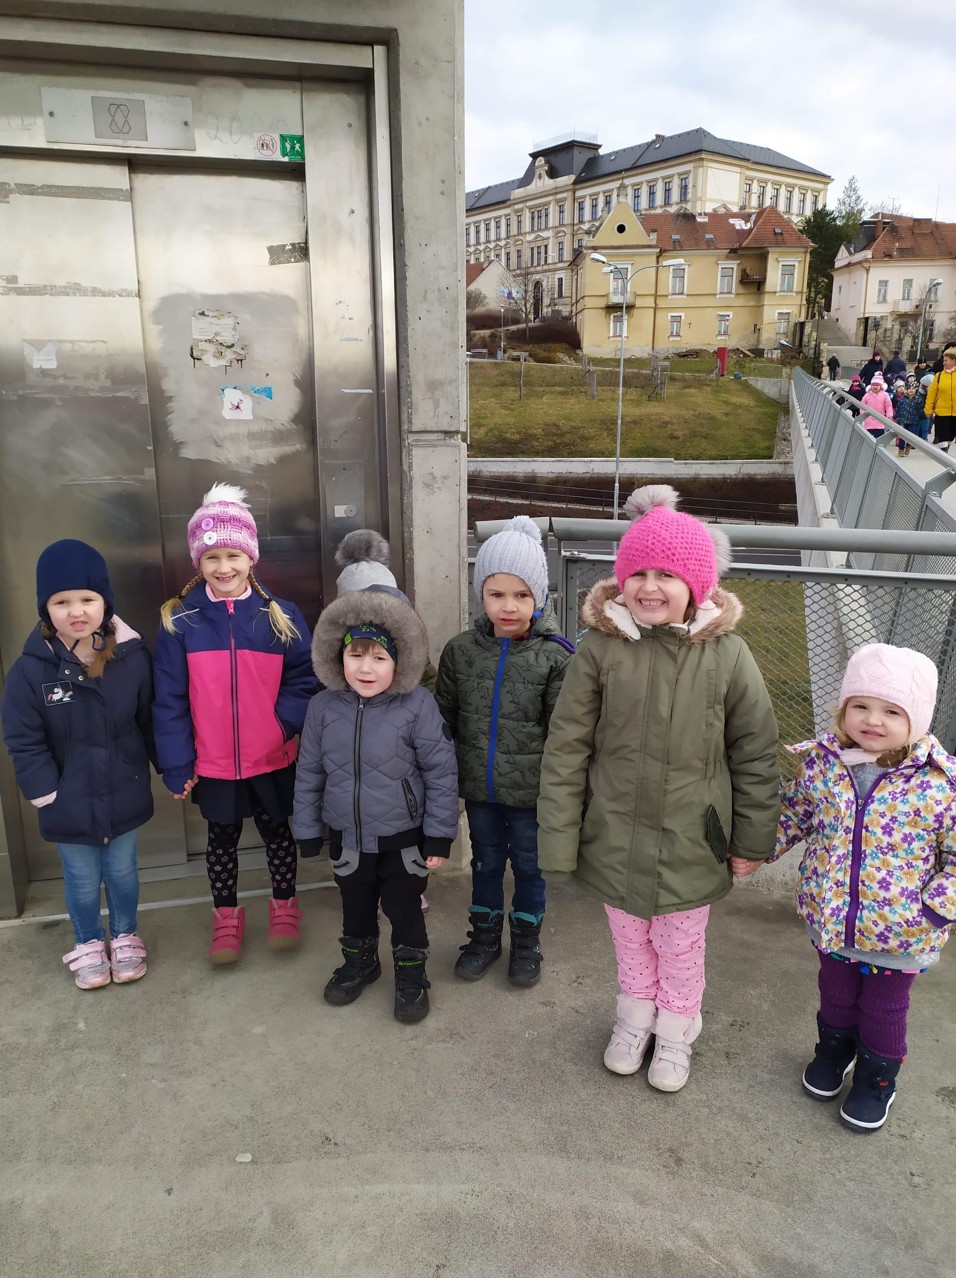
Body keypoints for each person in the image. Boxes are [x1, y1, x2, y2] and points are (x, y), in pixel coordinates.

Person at [537, 486, 779, 1092]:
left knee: (680, 946)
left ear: (696, 584)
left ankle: (675, 1032)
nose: (650, 586)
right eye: (638, 573)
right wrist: (561, 840)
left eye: (667, 574)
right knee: (630, 943)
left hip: (691, 843)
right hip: (614, 837)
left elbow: (754, 753)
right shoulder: (599, 651)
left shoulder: (729, 656)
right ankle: (634, 1020)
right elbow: (567, 750)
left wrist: (750, 840)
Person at [737, 645, 956, 1133]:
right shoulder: (825, 763)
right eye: (861, 705)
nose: (873, 720)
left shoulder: (941, 783)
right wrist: (756, 850)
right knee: (835, 993)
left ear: (918, 718)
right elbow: (795, 814)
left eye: (892, 711)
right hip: (831, 918)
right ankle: (834, 1053)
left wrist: (932, 911)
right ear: (843, 709)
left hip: (901, 932)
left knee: (882, 1008)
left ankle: (877, 1080)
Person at [152, 484, 315, 963]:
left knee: (277, 834)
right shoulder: (180, 621)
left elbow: (305, 680)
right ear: (198, 562)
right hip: (213, 761)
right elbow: (169, 700)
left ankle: (284, 906)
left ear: (250, 557)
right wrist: (177, 762)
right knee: (220, 840)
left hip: (271, 755)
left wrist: (280, 726)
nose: (223, 568)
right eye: (212, 557)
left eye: (233, 555)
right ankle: (226, 916)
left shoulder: (279, 616)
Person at [291, 587, 459, 1022]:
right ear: (338, 657)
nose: (365, 668)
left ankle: (411, 973)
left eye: (379, 658)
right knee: (355, 907)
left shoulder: (417, 706)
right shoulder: (322, 708)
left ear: (400, 661)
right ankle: (360, 962)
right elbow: (309, 771)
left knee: (405, 909)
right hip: (347, 838)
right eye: (355, 656)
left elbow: (440, 773)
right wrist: (306, 829)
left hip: (403, 838)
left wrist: (439, 836)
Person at [1, 541, 154, 989]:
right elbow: (23, 738)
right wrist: (44, 790)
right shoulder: (31, 670)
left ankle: (124, 935)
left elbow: (149, 719)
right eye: (61, 602)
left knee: (122, 871)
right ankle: (87, 941)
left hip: (123, 788)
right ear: (45, 609)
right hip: (66, 797)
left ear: (105, 602)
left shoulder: (131, 658)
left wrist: (171, 767)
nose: (76, 611)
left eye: (87, 598)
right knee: (82, 878)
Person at [436, 515, 574, 988]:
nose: (509, 606)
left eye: (521, 595)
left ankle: (527, 943)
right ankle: (484, 938)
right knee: (486, 864)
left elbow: (564, 734)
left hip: (533, 796)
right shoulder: (460, 651)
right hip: (481, 791)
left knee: (531, 869)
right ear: (482, 594)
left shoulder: (556, 656)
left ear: (540, 597)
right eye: (496, 594)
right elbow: (444, 719)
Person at [925, 346, 956, 452]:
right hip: (942, 412)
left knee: (950, 436)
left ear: (954, 361)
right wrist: (928, 410)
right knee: (942, 437)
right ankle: (944, 453)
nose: (943, 363)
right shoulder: (938, 376)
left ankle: (945, 451)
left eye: (946, 360)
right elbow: (931, 394)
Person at [895, 379, 928, 453]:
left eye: (913, 388)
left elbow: (920, 409)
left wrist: (923, 416)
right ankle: (901, 449)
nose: (911, 390)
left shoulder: (918, 399)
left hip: (913, 421)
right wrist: (896, 415)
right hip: (903, 420)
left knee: (911, 435)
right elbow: (898, 408)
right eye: (909, 388)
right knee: (902, 435)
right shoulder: (903, 398)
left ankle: (908, 445)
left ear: (916, 389)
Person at [860, 371, 894, 437]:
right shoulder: (867, 395)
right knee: (869, 439)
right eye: (873, 385)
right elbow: (862, 405)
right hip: (869, 422)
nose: (875, 387)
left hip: (880, 422)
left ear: (880, 386)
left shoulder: (885, 395)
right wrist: (863, 414)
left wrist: (889, 416)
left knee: (878, 438)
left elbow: (888, 406)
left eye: (877, 385)